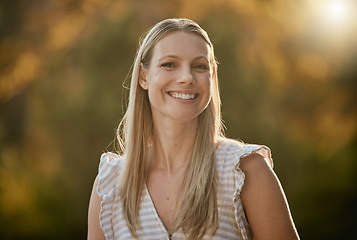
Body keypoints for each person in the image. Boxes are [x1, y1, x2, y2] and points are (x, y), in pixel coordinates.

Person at [88, 18, 300, 240]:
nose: (187, 78)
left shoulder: (246, 171)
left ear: (212, 77)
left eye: (199, 66)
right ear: (143, 76)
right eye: (169, 64)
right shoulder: (109, 186)